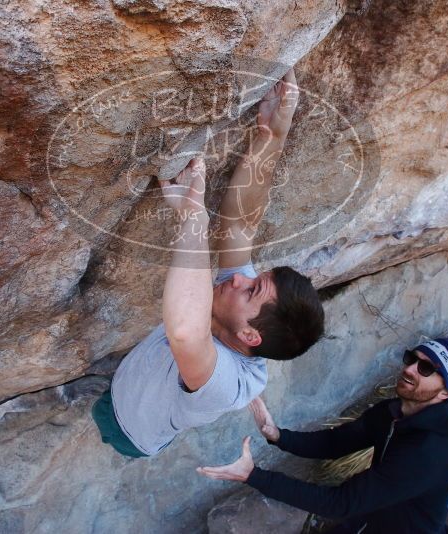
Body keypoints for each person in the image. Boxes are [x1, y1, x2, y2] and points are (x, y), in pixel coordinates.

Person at [92, 68, 326, 458]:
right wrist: (272, 134)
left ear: (251, 337)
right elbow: (239, 228)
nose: (238, 280)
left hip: (131, 434)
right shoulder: (247, 312)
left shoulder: (226, 386)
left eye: (251, 290)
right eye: (253, 279)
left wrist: (192, 216)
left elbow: (186, 333)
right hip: (125, 384)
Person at [197, 338, 448, 534]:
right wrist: (278, 435)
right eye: (412, 359)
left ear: (445, 392)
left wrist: (253, 475)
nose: (410, 369)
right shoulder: (392, 413)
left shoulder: (427, 453)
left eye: (426, 369)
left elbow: (339, 503)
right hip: (374, 516)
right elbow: (334, 443)